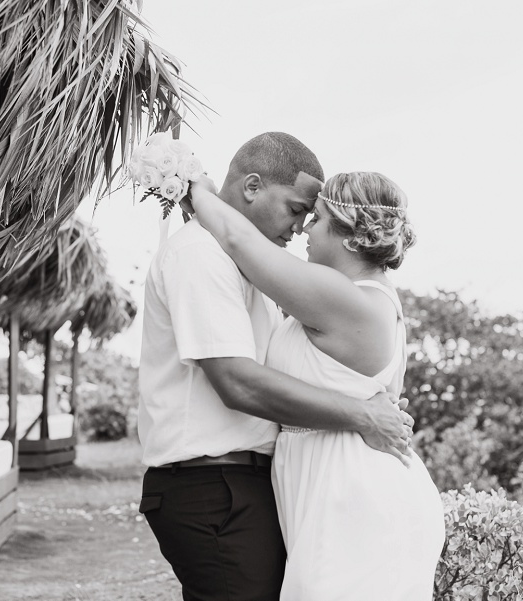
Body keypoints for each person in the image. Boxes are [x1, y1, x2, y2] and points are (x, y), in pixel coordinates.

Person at [137, 132, 415, 601]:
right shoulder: (199, 253)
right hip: (212, 485)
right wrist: (363, 413)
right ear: (251, 187)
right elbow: (237, 383)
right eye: (296, 210)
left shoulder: (272, 277)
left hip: (274, 487)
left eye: (313, 217)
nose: (302, 227)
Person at [189, 169, 445, 599]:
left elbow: (240, 241)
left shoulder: (350, 299)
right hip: (326, 483)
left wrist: (192, 184)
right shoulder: (346, 294)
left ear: (350, 235)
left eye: (318, 218)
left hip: (353, 495)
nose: (305, 227)